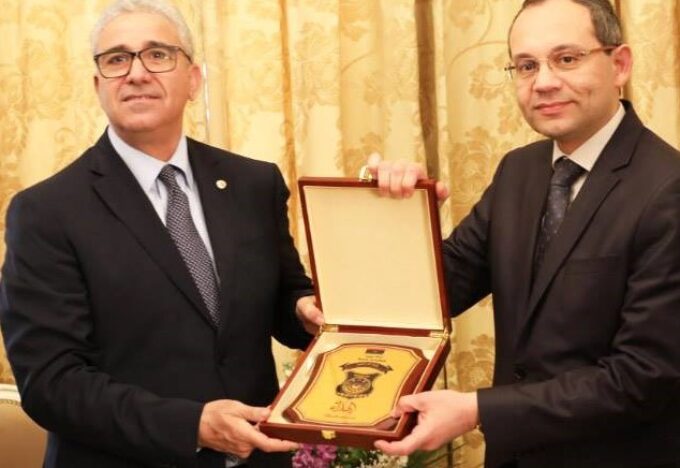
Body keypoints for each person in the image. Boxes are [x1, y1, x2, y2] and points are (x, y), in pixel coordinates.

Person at [0, 1, 324, 467]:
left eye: (157, 54)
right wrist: (191, 426)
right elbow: (51, 381)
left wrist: (305, 310)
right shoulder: (46, 212)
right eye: (116, 59)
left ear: (193, 80)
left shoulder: (253, 183)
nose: (136, 73)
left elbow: (284, 300)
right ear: (98, 86)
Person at [370, 0, 680, 466]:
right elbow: (435, 293)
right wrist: (401, 214)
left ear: (619, 64)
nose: (544, 82)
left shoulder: (667, 188)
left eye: (567, 58)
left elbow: (643, 376)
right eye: (527, 66)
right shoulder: (519, 170)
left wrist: (477, 410)